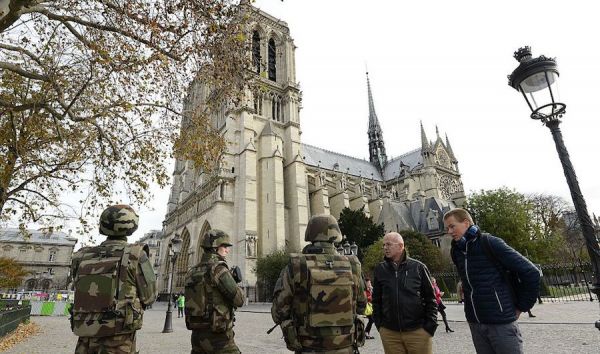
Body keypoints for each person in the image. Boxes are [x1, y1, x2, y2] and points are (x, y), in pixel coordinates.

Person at [443, 208, 541, 354]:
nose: (449, 232)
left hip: (501, 322)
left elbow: (532, 272)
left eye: (452, 226)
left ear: (466, 223)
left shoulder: (490, 242)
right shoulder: (456, 250)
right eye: (447, 228)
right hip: (475, 323)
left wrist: (522, 306)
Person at [271, 214, 367, 354]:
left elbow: (279, 312)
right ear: (336, 235)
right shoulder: (353, 264)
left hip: (309, 347)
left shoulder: (297, 264)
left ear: (310, 234)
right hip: (346, 346)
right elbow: (362, 306)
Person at [70, 204, 157, 354]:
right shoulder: (135, 254)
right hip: (118, 335)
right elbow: (149, 297)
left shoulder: (81, 255)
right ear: (131, 225)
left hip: (85, 332)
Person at [372, 232, 437, 354]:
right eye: (384, 245)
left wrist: (429, 327)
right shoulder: (380, 269)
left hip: (417, 331)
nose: (385, 248)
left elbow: (431, 299)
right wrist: (380, 326)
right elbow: (376, 300)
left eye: (389, 244)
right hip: (390, 333)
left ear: (401, 246)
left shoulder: (418, 267)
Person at [184, 229, 244, 354]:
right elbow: (239, 300)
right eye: (225, 246)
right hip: (217, 336)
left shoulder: (192, 271)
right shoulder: (218, 268)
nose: (227, 250)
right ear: (215, 247)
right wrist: (233, 281)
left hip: (196, 334)